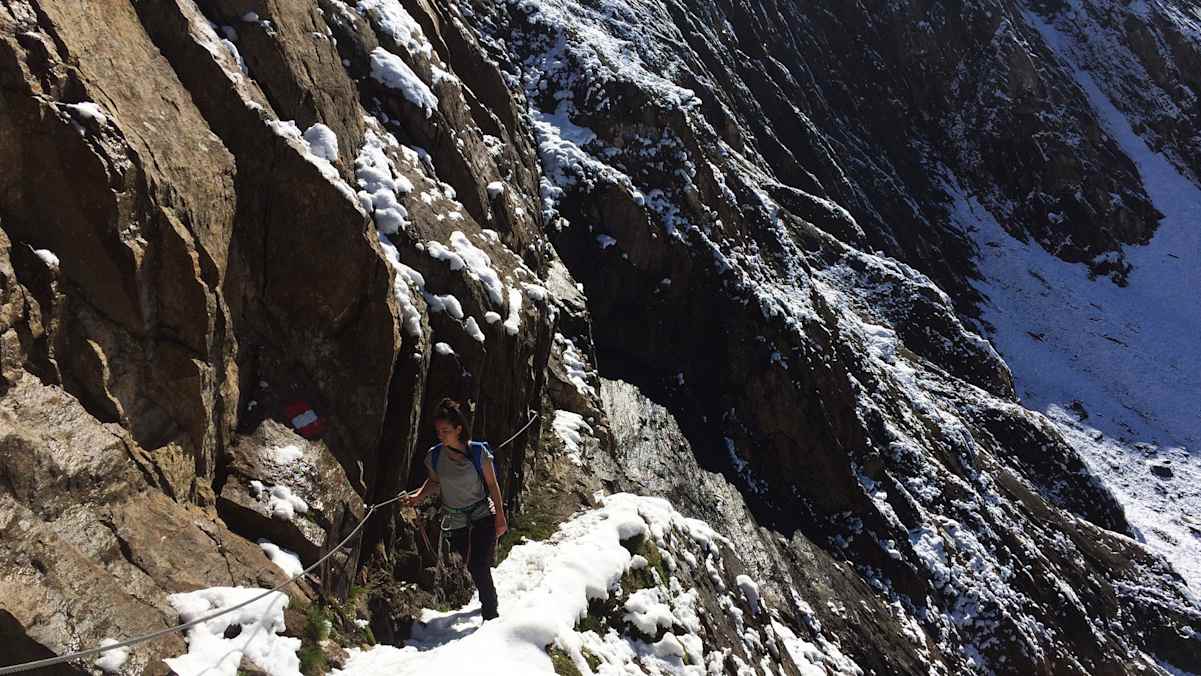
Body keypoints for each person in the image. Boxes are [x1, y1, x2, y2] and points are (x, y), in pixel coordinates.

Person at [402, 398, 508, 620]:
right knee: (472, 564)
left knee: (479, 564)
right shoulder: (435, 456)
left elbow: (492, 485)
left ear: (459, 429)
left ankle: (491, 612)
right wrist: (419, 497)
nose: (441, 435)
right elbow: (434, 481)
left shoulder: (478, 453)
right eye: (439, 431)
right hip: (456, 519)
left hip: (482, 514)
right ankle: (489, 600)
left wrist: (500, 516)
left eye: (446, 431)